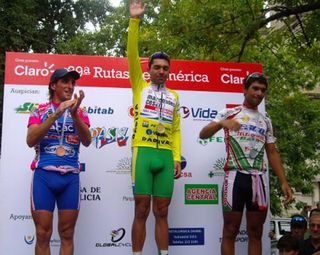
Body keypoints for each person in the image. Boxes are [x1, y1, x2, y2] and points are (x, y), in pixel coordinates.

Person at [199, 72, 293, 255]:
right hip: (235, 177)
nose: (259, 93)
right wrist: (223, 123)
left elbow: (272, 152)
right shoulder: (229, 113)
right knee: (230, 231)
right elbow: (203, 134)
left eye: (263, 90)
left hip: (258, 180)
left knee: (256, 233)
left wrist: (283, 181)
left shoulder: (266, 121)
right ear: (244, 89)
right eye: (255, 88)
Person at [127, 1, 181, 255]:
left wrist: (176, 156)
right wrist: (135, 21)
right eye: (156, 67)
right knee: (141, 210)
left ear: (169, 72)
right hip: (144, 153)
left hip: (165, 156)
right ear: (148, 70)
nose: (161, 71)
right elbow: (130, 54)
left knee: (162, 211)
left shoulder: (174, 96)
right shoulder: (140, 87)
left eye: (165, 69)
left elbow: (176, 130)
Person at [27, 68, 91, 255]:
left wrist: (75, 114)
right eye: (65, 82)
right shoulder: (39, 110)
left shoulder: (81, 112)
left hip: (70, 178)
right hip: (44, 176)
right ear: (53, 85)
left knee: (67, 233)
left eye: (73, 82)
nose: (70, 86)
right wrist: (55, 114)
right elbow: (31, 140)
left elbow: (87, 141)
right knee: (42, 233)